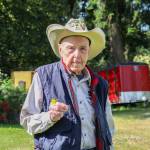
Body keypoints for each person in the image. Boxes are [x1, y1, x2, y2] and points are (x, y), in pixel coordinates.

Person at [20, 18, 115, 150]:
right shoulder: (44, 76)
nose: (77, 55)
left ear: (88, 51)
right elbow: (27, 120)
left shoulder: (100, 84)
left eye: (83, 49)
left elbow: (108, 127)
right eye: (71, 48)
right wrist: (50, 117)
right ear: (60, 50)